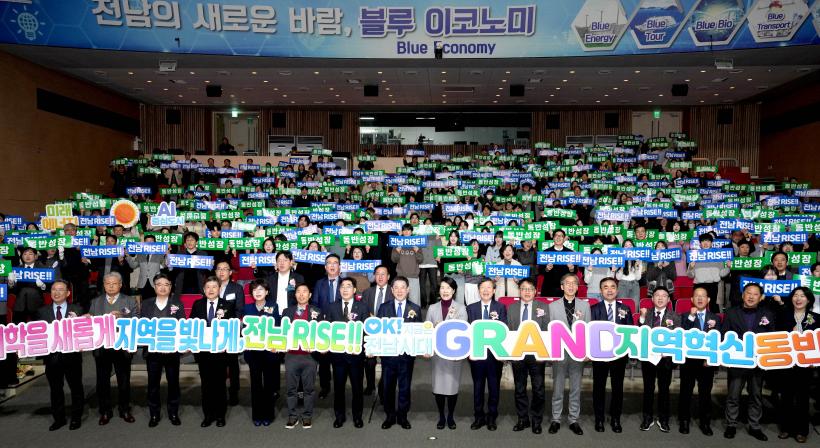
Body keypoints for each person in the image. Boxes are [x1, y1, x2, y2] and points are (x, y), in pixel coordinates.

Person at [723, 283, 776, 441]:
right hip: (737, 361)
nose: (751, 297)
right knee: (733, 395)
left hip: (757, 362)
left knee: (756, 395)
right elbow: (724, 334)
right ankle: (731, 424)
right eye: (748, 293)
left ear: (761, 297)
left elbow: (772, 336)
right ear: (743, 295)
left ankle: (755, 426)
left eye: (755, 294)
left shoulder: (768, 314)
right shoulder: (731, 312)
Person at [89, 272, 139, 425]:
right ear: (104, 285)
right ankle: (105, 411)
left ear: (120, 285)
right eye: (108, 283)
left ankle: (125, 409)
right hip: (102, 347)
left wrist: (123, 318)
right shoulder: (95, 302)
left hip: (122, 346)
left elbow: (137, 321)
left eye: (114, 283)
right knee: (102, 381)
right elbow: (90, 322)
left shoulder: (129, 300)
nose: (111, 286)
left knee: (124, 381)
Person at [37, 280, 84, 431]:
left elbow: (84, 331)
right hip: (52, 357)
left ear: (68, 293)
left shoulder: (77, 309)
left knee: (76, 387)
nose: (56, 293)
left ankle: (76, 417)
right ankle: (59, 418)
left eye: (60, 289)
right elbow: (37, 334)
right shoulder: (42, 311)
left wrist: (77, 322)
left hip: (72, 356)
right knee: (55, 389)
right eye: (54, 289)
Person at [190, 276, 236, 428]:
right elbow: (192, 326)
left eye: (214, 287)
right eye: (208, 287)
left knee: (220, 384)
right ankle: (208, 415)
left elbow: (232, 328)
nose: (211, 290)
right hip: (203, 352)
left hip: (221, 352)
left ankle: (220, 415)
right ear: (204, 290)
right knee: (206, 385)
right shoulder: (197, 304)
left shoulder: (227, 305)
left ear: (219, 289)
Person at [139, 273, 184, 427]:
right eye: (159, 284)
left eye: (166, 284)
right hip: (153, 352)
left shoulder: (177, 304)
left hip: (172, 351)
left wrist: (172, 345)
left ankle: (173, 412)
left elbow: (182, 327)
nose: (163, 287)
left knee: (173, 383)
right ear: (154, 287)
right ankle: (154, 414)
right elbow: (142, 327)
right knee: (153, 384)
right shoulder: (146, 304)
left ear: (170, 287)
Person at [774, 287, 819, 443]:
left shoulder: (816, 318)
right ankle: (786, 428)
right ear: (791, 298)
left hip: (806, 365)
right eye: (795, 295)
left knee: (802, 398)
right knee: (786, 396)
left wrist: (814, 360)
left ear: (809, 300)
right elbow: (775, 337)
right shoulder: (783, 315)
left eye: (802, 296)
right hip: (787, 363)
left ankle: (802, 430)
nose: (798, 299)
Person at [377, 276, 422, 429]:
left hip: (406, 356)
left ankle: (403, 416)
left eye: (403, 287)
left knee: (404, 387)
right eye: (396, 287)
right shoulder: (384, 308)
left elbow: (419, 333)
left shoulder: (415, 309)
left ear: (408, 289)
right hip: (388, 356)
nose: (399, 290)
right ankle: (390, 416)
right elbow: (378, 331)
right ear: (392, 290)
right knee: (388, 387)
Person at [548, 273, 590, 435]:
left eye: (574, 283)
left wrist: (587, 350)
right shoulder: (552, 306)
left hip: (578, 353)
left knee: (575, 388)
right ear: (562, 286)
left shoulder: (585, 306)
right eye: (567, 283)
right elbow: (549, 331)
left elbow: (587, 330)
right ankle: (556, 419)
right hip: (559, 352)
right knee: (557, 388)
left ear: (578, 287)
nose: (571, 286)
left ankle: (574, 420)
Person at [590, 277, 633, 433]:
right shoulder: (594, 309)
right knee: (598, 388)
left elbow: (630, 331)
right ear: (601, 291)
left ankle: (615, 419)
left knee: (617, 388)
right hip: (599, 356)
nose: (609, 290)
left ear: (617, 290)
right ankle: (599, 419)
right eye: (606, 287)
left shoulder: (625, 309)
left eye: (612, 287)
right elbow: (589, 333)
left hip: (618, 356)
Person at [677, 286, 721, 436]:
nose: (700, 298)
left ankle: (705, 422)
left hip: (706, 362)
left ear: (708, 300)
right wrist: (691, 316)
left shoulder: (715, 318)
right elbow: (681, 334)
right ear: (692, 299)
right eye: (697, 296)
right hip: (689, 361)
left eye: (703, 296)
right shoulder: (684, 316)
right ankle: (684, 421)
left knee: (705, 394)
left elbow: (718, 340)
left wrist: (711, 359)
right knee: (685, 392)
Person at [507, 278, 549, 434]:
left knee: (538, 389)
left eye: (530, 289)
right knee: (519, 388)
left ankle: (536, 421)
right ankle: (522, 419)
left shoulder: (543, 307)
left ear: (535, 291)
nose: (527, 292)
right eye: (524, 288)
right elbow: (508, 330)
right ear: (519, 291)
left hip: (537, 354)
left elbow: (547, 330)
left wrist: (544, 353)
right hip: (518, 353)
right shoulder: (511, 308)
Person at [425, 277, 467, 430]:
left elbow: (463, 329)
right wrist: (427, 348)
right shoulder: (432, 308)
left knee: (452, 387)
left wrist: (445, 324)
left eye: (448, 288)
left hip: (454, 354)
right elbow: (427, 330)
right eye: (442, 287)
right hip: (437, 353)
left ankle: (451, 416)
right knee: (438, 387)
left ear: (454, 290)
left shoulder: (461, 308)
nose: (445, 291)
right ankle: (442, 415)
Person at [466, 278, 508, 431]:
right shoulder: (471, 308)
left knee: (494, 388)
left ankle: (492, 417)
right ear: (478, 290)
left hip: (494, 356)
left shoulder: (501, 307)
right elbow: (467, 332)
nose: (485, 290)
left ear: (494, 290)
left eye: (489, 287)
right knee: (478, 387)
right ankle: (478, 417)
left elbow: (505, 330)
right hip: (476, 355)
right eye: (482, 287)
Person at [326, 277, 368, 428]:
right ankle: (339, 416)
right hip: (338, 356)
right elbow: (327, 330)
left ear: (354, 290)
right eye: (342, 286)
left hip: (356, 356)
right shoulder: (331, 307)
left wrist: (362, 347)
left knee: (357, 388)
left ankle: (357, 417)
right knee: (338, 388)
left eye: (349, 286)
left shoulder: (362, 307)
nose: (345, 289)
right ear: (339, 290)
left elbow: (366, 332)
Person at [638, 286, 680, 432]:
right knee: (648, 389)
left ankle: (663, 419)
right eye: (657, 295)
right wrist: (641, 318)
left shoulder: (675, 316)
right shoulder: (646, 313)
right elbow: (639, 334)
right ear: (652, 298)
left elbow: (679, 338)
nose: (660, 298)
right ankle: (647, 418)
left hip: (666, 360)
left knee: (664, 390)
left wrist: (671, 355)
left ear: (668, 300)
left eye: (664, 295)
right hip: (648, 359)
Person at [282, 284, 323, 429]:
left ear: (310, 295)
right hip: (291, 356)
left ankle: (307, 416)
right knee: (291, 389)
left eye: (305, 291)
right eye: (298, 291)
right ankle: (292, 416)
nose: (301, 294)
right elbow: (282, 332)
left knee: (309, 389)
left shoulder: (317, 311)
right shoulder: (287, 311)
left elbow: (322, 333)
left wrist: (321, 347)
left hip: (309, 357)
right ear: (295, 295)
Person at [242, 279, 279, 426]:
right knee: (256, 384)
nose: (258, 292)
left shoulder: (273, 306)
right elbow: (243, 329)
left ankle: (268, 415)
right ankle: (257, 415)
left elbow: (277, 327)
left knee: (269, 384)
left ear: (267, 292)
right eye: (255, 289)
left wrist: (276, 344)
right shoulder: (247, 308)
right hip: (253, 352)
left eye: (261, 289)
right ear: (251, 293)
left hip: (269, 351)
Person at [312, 253, 343, 399]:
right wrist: (320, 321)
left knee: (338, 359)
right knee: (323, 359)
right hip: (323, 326)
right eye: (329, 263)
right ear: (325, 267)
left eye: (335, 263)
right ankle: (325, 387)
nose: (332, 265)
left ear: (340, 266)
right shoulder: (319, 283)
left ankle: (339, 387)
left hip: (340, 327)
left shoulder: (345, 283)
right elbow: (315, 304)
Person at [215, 260, 245, 405]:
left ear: (230, 272)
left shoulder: (237, 288)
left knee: (232, 363)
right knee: (217, 363)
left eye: (225, 269)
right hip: (214, 331)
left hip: (231, 329)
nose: (222, 272)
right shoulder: (211, 286)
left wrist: (229, 325)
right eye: (219, 269)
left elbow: (239, 309)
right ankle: (219, 391)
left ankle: (234, 392)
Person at [361, 265, 393, 395]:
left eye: (383, 274)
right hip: (371, 333)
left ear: (388, 276)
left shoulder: (394, 291)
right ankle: (370, 386)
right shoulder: (367, 292)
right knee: (369, 362)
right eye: (377, 274)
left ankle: (383, 387)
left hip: (387, 332)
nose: (380, 277)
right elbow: (362, 312)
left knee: (387, 362)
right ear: (374, 276)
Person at [686, 233, 730, 313]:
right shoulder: (694, 256)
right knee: (698, 308)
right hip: (699, 286)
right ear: (700, 244)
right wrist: (691, 267)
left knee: (714, 308)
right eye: (703, 241)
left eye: (708, 241)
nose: (705, 243)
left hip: (713, 286)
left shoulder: (718, 255)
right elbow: (690, 276)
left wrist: (728, 267)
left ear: (711, 243)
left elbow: (722, 274)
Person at [391, 224, 424, 306]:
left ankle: (415, 315)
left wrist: (417, 251)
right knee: (400, 300)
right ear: (402, 232)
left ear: (411, 232)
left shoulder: (416, 243)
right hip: (401, 276)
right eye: (404, 230)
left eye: (408, 230)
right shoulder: (397, 242)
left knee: (415, 301)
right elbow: (393, 259)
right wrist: (397, 252)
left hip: (413, 276)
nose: (406, 232)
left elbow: (420, 260)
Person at [125, 234, 166, 300]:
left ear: (155, 243)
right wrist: (127, 256)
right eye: (147, 241)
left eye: (151, 241)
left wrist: (167, 255)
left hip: (156, 282)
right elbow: (133, 265)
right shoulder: (140, 254)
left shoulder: (160, 253)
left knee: (155, 301)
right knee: (144, 302)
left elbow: (165, 264)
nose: (149, 243)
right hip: (143, 283)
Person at [538, 229, 576, 297]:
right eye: (556, 236)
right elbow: (540, 270)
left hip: (565, 287)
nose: (558, 237)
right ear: (553, 238)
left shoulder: (570, 253)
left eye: (561, 236)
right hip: (549, 287)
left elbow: (575, 271)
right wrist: (546, 269)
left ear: (564, 239)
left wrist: (571, 269)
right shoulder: (546, 252)